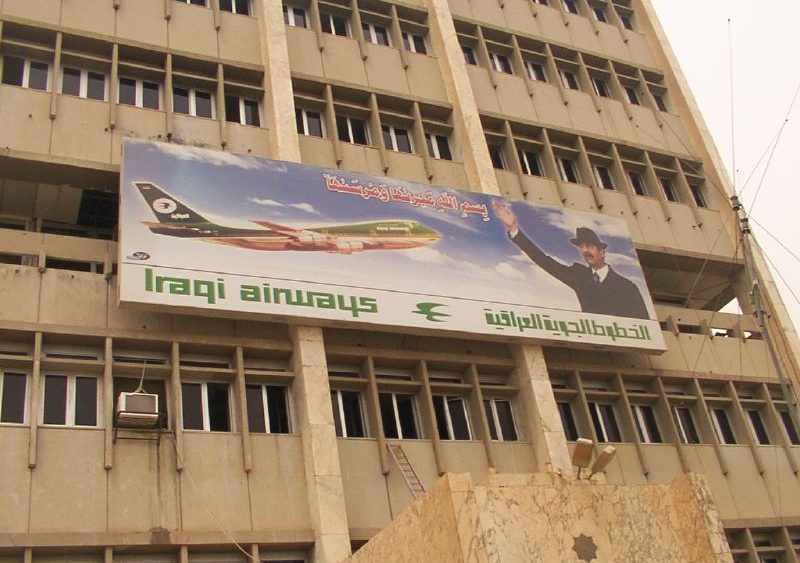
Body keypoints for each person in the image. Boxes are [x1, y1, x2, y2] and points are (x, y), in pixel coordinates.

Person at [493, 201, 649, 319]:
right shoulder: (578, 276)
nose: (585, 250)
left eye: (589, 246)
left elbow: (643, 325)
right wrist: (514, 229)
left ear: (602, 251)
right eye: (582, 246)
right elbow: (544, 261)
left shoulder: (628, 287)